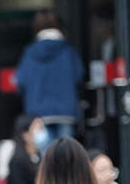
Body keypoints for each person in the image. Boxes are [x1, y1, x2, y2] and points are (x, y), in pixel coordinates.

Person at [15, 10, 84, 141]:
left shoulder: (29, 54)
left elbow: (20, 82)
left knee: (44, 157)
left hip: (37, 114)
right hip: (66, 112)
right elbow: (79, 76)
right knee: (65, 156)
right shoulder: (69, 51)